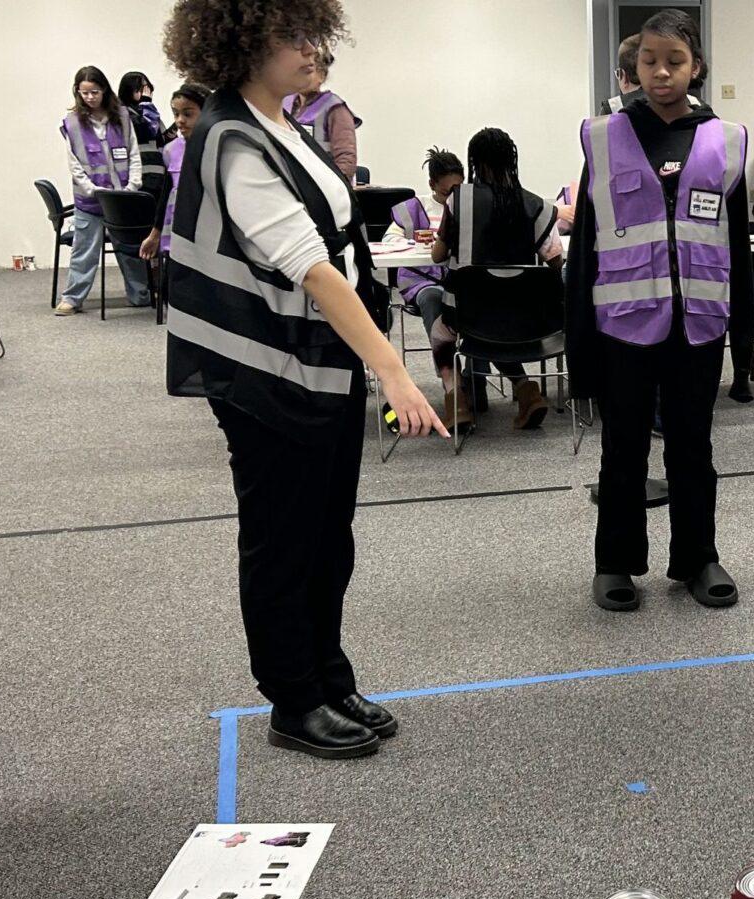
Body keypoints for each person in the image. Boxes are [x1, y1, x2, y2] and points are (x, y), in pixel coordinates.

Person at [162, 0, 447, 760]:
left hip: (316, 363)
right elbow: (311, 266)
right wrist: (396, 371)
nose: (314, 49)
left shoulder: (286, 123)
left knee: (328, 538)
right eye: (294, 36)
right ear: (243, 41)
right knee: (284, 541)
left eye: (316, 33)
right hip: (265, 373)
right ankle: (293, 698)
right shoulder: (230, 137)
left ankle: (328, 673)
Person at [567, 9, 753, 612]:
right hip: (621, 327)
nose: (661, 72)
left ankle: (697, 557)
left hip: (697, 325)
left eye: (673, 61)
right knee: (623, 448)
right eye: (649, 61)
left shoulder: (724, 141)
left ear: (695, 65)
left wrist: (744, 348)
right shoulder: (603, 137)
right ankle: (615, 562)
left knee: (692, 447)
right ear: (634, 65)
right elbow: (586, 248)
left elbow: (737, 245)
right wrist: (580, 353)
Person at [431, 127, 563, 430]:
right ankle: (527, 391)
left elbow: (439, 255)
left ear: (474, 163)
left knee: (443, 334)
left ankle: (456, 400)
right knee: (499, 324)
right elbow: (556, 261)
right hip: (528, 319)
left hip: (469, 314)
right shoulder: (540, 207)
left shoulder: (459, 200)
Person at [56, 66, 151, 315]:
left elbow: (133, 154)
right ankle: (72, 298)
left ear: (104, 90)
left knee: (130, 249)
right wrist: (92, 189)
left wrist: (133, 185)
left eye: (94, 92)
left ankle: (140, 294)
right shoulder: (73, 123)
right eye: (84, 93)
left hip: (123, 198)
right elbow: (74, 164)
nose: (89, 98)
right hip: (90, 201)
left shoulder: (122, 116)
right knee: (84, 251)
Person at [385, 147, 465, 421]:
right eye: (446, 193)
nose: (452, 198)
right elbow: (390, 240)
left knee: (477, 300)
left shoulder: (468, 206)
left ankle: (476, 381)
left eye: (457, 190)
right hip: (422, 279)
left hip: (459, 280)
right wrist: (417, 243)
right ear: (432, 185)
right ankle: (451, 384)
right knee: (433, 299)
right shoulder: (412, 209)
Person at [142, 83, 210, 261]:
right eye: (176, 114)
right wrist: (154, 235)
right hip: (175, 240)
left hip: (206, 242)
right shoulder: (172, 150)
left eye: (188, 114)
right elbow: (166, 195)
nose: (180, 120)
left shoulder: (215, 149)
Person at [285, 46, 359, 181]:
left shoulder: (335, 108)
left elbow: (346, 159)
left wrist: (336, 188)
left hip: (325, 185)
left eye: (309, 71)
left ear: (322, 76)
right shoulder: (285, 104)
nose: (303, 77)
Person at [120, 70, 166, 136]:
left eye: (147, 88)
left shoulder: (148, 111)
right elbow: (149, 129)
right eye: (140, 89)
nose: (144, 92)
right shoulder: (123, 113)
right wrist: (146, 103)